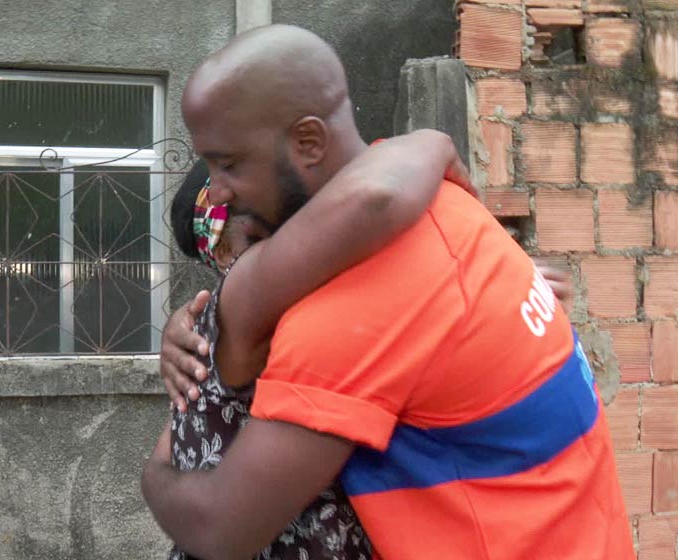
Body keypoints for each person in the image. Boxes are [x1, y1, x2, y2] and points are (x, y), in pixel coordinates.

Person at [143, 24, 635, 560]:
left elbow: (222, 530)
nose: (217, 190)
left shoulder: (342, 309)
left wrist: (153, 476)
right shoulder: (445, 202)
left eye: (229, 164)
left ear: (308, 142)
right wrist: (431, 141)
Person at [165, 133, 474, 560]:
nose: (295, 244)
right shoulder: (247, 314)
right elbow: (377, 199)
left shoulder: (226, 319)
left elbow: (164, 462)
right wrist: (435, 144)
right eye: (258, 235)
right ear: (219, 251)